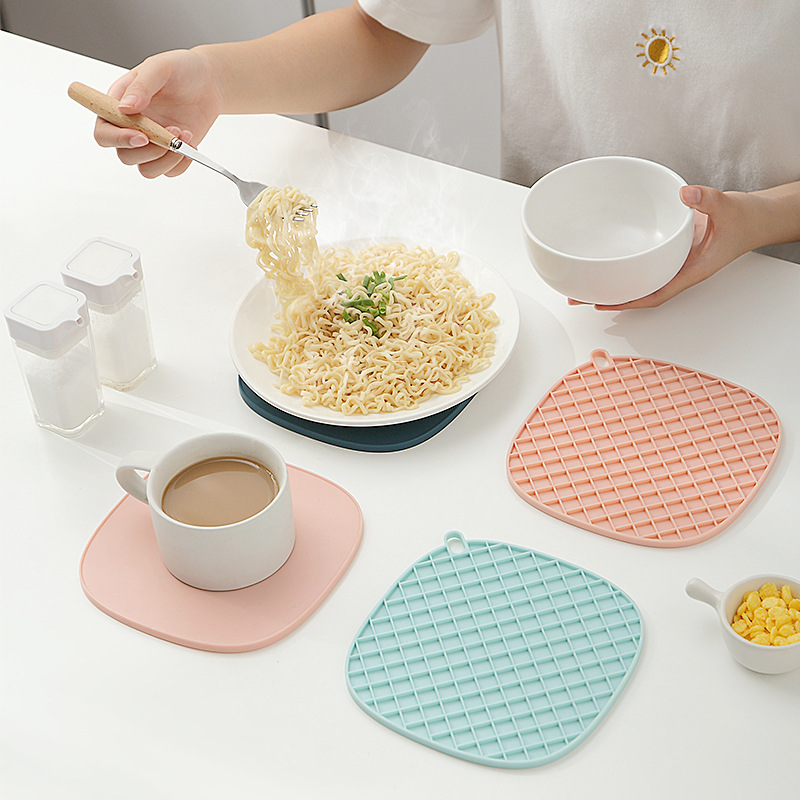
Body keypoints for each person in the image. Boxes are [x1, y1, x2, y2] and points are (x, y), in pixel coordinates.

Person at [93, 1, 800, 310]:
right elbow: (384, 30)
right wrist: (216, 80)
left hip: (768, 287)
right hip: (557, 284)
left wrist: (757, 219)